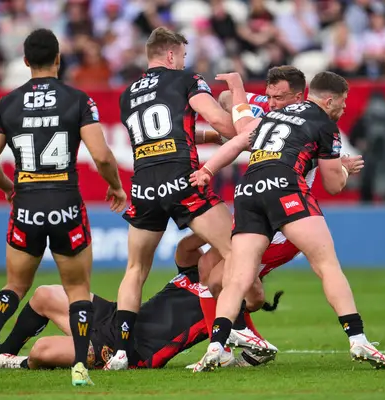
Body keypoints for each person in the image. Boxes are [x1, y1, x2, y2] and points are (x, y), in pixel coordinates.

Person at [190, 71, 385, 371]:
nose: (345, 108)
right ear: (329, 100)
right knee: (326, 264)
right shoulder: (326, 123)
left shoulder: (272, 116)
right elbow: (335, 185)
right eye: (343, 102)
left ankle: (217, 346)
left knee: (237, 278)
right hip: (284, 187)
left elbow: (236, 143)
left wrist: (207, 170)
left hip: (247, 189)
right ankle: (358, 338)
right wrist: (345, 170)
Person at [0, 28, 126, 386]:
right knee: (76, 289)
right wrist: (115, 185)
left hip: (27, 202)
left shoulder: (6, 104)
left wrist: (10, 188)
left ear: (25, 61)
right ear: (59, 59)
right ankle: (79, 365)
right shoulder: (77, 99)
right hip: (65, 204)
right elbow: (102, 155)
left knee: (15, 284)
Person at [105, 26, 241, 370]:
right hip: (183, 180)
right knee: (236, 254)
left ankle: (120, 352)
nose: (183, 61)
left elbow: (164, 130)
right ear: (170, 55)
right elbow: (223, 124)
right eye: (181, 55)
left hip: (144, 185)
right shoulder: (186, 80)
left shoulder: (128, 94)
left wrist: (208, 136)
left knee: (135, 270)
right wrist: (241, 124)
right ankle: (232, 335)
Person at [0, 234, 282, 370]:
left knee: (43, 349)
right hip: (119, 319)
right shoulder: (191, 273)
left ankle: (13, 363)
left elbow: (257, 344)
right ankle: (3, 350)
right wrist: (215, 228)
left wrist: (250, 284)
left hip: (136, 352)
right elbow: (185, 247)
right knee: (45, 293)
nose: (213, 258)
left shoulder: (228, 304)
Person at [348, 89, 385, 203]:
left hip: (369, 159)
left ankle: (366, 216)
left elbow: (353, 137)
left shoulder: (364, 118)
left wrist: (362, 144)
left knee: (366, 189)